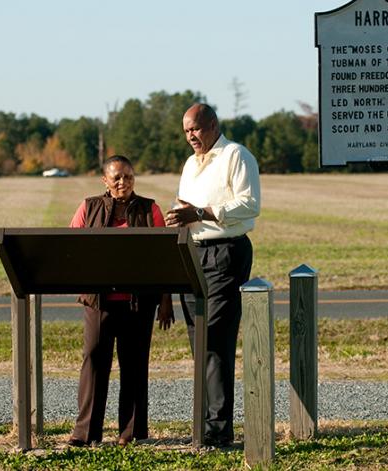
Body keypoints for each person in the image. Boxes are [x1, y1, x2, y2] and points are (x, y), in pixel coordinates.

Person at [165, 103, 260, 447]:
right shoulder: (191, 164)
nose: (191, 136)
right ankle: (205, 424)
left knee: (215, 340)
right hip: (194, 253)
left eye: (196, 129)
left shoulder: (236, 155)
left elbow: (250, 204)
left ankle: (218, 431)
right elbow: (188, 208)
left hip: (225, 253)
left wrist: (202, 212)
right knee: (198, 341)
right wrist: (180, 216)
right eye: (186, 131)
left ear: (213, 124)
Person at [68, 155, 174, 447]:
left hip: (138, 303)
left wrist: (166, 300)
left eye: (128, 176)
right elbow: (71, 247)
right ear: (105, 180)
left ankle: (131, 433)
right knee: (93, 361)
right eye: (116, 177)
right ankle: (86, 432)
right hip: (99, 301)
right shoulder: (88, 207)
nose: (123, 182)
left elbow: (164, 257)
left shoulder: (150, 208)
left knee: (135, 365)